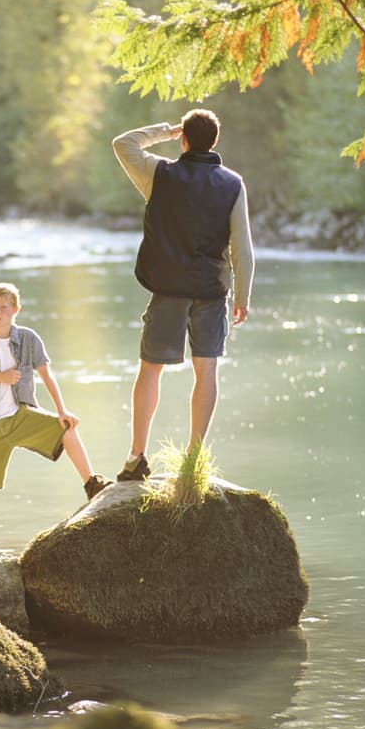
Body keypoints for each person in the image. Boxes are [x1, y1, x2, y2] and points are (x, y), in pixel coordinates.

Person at [111, 108, 255, 481]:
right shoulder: (232, 183)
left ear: (184, 139)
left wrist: (166, 130)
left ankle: (137, 456)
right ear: (216, 142)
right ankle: (193, 457)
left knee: (150, 369)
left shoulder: (159, 174)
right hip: (211, 290)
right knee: (206, 369)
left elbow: (122, 143)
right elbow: (243, 248)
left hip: (168, 288)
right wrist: (243, 295)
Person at [0, 282, 110, 550]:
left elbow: (47, 375)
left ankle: (91, 483)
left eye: (3, 307)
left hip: (20, 416)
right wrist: (0, 377)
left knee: (66, 428)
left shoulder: (28, 339)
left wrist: (62, 410)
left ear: (15, 309)